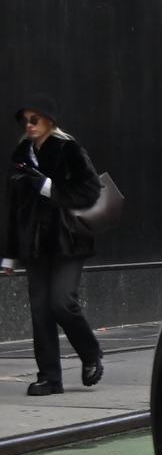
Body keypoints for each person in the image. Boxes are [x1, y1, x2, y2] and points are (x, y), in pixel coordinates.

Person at [2, 96, 105, 396]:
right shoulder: (21, 155)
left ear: (50, 121)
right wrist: (8, 254)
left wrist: (50, 189)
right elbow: (12, 209)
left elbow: (90, 191)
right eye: (26, 120)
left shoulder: (68, 149)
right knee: (40, 311)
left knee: (62, 302)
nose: (29, 125)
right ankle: (49, 377)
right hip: (33, 247)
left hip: (68, 241)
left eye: (35, 119)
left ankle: (90, 353)